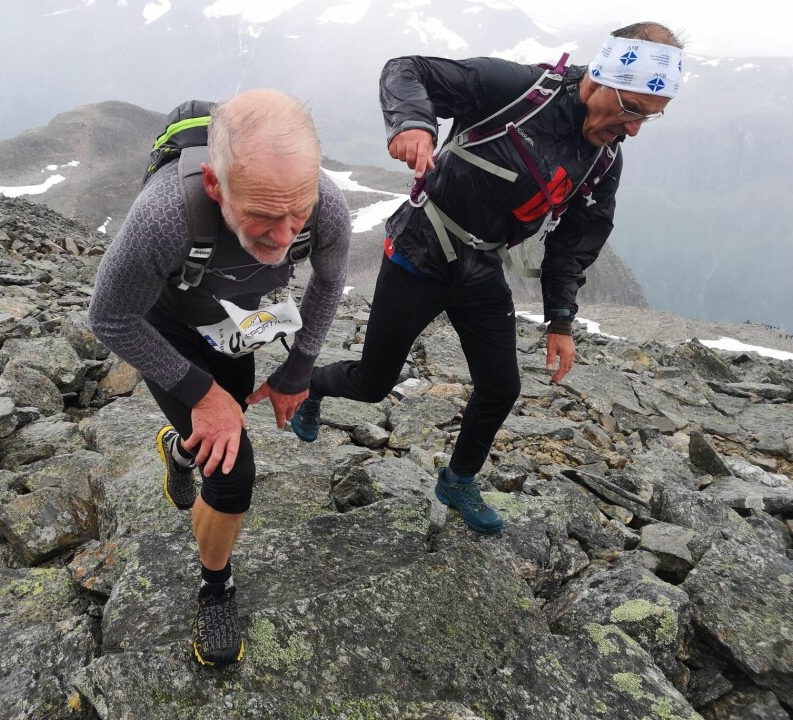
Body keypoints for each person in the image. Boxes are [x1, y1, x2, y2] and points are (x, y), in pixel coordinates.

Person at [292, 22, 683, 534]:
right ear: (602, 79)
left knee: (501, 387)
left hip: (479, 270)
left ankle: (457, 481)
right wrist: (412, 122)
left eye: (647, 119)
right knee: (373, 383)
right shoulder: (520, 91)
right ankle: (312, 388)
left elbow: (576, 241)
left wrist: (561, 320)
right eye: (632, 110)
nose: (633, 129)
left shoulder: (603, 157)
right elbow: (406, 70)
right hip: (418, 256)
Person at [88, 89, 351, 666]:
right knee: (232, 471)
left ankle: (178, 453)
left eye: (296, 215)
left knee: (211, 439)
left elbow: (329, 282)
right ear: (215, 184)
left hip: (233, 324)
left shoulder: (325, 205)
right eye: (262, 216)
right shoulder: (164, 215)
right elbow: (108, 316)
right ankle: (215, 591)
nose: (284, 239)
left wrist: (298, 368)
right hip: (166, 326)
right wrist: (200, 394)